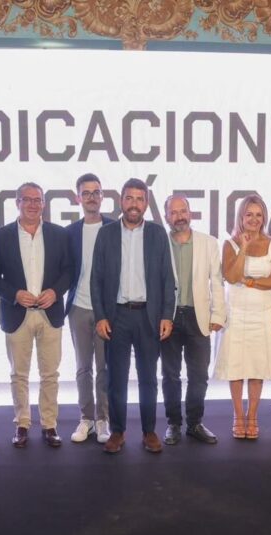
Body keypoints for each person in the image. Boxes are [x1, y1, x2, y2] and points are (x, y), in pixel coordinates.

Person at [91, 178, 175, 453]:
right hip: (116, 316)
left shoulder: (157, 234)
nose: (134, 204)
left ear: (146, 204)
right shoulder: (106, 234)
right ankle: (117, 431)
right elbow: (96, 278)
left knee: (148, 378)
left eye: (140, 199)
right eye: (129, 198)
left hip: (148, 316)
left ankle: (149, 431)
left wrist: (167, 315)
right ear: (121, 201)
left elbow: (167, 278)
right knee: (116, 378)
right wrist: (101, 316)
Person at [0, 182, 72, 448]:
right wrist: (14, 294)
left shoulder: (59, 234)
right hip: (17, 314)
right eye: (27, 199)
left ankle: (49, 425)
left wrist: (56, 292)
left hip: (50, 313)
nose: (33, 205)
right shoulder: (0, 236)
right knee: (19, 374)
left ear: (44, 204)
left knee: (50, 374)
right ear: (17, 203)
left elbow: (69, 271)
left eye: (38, 200)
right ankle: (22, 424)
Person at [214, 194, 271, 440]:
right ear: (241, 217)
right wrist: (243, 248)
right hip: (236, 314)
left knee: (256, 367)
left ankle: (252, 415)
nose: (254, 219)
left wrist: (251, 281)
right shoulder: (230, 244)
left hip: (263, 315)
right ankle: (238, 415)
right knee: (236, 367)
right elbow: (232, 277)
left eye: (258, 215)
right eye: (249, 214)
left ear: (264, 217)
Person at [160, 194, 227, 445]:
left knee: (199, 375)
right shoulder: (159, 243)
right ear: (166, 217)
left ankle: (195, 423)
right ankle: (173, 424)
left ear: (190, 213)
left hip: (199, 316)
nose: (179, 216)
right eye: (174, 212)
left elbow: (217, 281)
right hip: (168, 317)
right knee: (170, 375)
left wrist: (218, 314)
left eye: (183, 211)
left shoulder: (208, 243)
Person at [64, 173, 114, 444]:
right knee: (83, 368)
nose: (91, 197)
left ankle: (103, 419)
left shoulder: (115, 228)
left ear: (102, 196)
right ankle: (86, 419)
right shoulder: (70, 232)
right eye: (86, 193)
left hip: (107, 311)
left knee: (104, 367)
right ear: (78, 198)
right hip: (79, 308)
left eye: (96, 192)